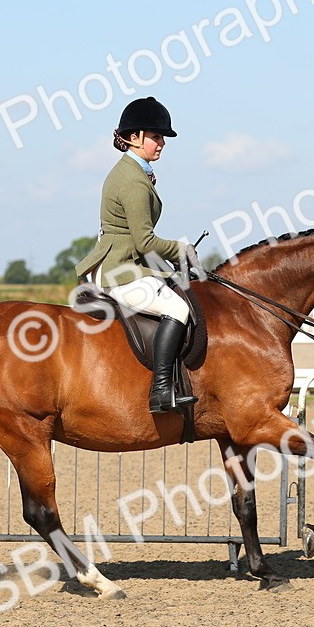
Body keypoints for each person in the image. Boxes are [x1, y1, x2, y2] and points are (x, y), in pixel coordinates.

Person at [75, 97, 203, 413]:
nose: (161, 144)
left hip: (122, 262)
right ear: (135, 137)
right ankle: (160, 390)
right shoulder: (132, 179)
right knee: (177, 308)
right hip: (117, 269)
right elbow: (145, 242)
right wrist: (181, 250)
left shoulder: (135, 172)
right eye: (156, 136)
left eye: (163, 138)